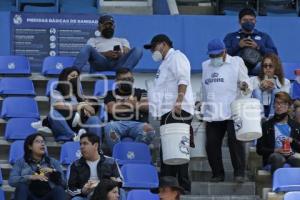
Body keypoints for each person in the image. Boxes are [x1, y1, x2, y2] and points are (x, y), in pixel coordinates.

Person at [144, 34, 194, 192]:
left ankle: (181, 185)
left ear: (163, 44)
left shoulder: (177, 57)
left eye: (153, 47)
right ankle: (168, 185)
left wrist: (178, 102)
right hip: (167, 112)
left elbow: (183, 80)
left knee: (178, 148)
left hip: (178, 110)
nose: (152, 51)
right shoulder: (164, 64)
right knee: (168, 149)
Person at [201, 38, 252, 183]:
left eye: (218, 55)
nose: (215, 58)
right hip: (213, 112)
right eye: (212, 56)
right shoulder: (205, 66)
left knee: (234, 140)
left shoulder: (236, 62)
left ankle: (239, 172)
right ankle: (217, 174)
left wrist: (244, 87)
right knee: (211, 144)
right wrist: (203, 107)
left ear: (225, 51)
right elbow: (204, 89)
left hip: (232, 110)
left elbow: (247, 83)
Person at [33, 67, 102, 141]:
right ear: (64, 78)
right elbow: (58, 105)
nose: (75, 79)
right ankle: (73, 136)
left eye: (77, 77)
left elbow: (92, 111)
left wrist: (86, 107)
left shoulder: (80, 95)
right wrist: (80, 106)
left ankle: (96, 147)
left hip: (79, 123)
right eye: (72, 76)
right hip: (64, 122)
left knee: (95, 119)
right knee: (53, 113)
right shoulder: (56, 92)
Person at [103, 68, 155, 151]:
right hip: (117, 124)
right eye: (124, 79)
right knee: (109, 128)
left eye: (130, 79)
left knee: (149, 130)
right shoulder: (110, 93)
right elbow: (111, 109)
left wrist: (121, 104)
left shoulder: (142, 92)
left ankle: (134, 152)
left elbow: (146, 107)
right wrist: (134, 104)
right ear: (117, 81)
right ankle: (119, 155)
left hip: (138, 124)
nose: (127, 81)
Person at [73, 15, 143, 72]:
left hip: (118, 63)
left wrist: (120, 54)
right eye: (105, 25)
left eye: (110, 26)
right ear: (99, 27)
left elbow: (127, 53)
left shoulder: (122, 40)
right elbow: (91, 55)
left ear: (114, 27)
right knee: (87, 48)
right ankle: (74, 72)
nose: (108, 27)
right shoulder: (93, 40)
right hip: (101, 62)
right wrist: (106, 54)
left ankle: (125, 72)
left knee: (138, 49)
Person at [9, 133, 66, 200]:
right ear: (30, 146)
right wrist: (31, 177)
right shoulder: (21, 162)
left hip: (48, 196)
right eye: (38, 142)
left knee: (59, 190)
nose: (42, 144)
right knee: (21, 187)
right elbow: (12, 181)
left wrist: (53, 172)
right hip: (29, 196)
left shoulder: (53, 162)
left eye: (43, 142)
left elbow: (64, 184)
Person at [68, 133, 122, 200]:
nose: (81, 147)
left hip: (106, 195)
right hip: (85, 197)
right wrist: (82, 191)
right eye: (80, 144)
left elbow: (120, 182)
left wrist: (100, 184)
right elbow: (70, 189)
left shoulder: (111, 162)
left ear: (96, 146)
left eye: (85, 143)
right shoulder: (76, 165)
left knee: (120, 192)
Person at [224, 8, 277, 75]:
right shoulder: (230, 36)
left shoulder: (264, 36)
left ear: (255, 21)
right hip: (236, 69)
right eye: (245, 20)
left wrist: (258, 47)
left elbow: (274, 54)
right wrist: (238, 46)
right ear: (239, 22)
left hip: (257, 68)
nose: (248, 22)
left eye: (251, 20)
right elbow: (222, 55)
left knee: (268, 66)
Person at [256, 92, 300, 174]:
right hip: (273, 156)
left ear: (288, 106)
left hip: (291, 155)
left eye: (282, 103)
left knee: (297, 160)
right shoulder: (266, 125)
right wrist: (276, 150)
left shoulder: (296, 126)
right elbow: (259, 149)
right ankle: (276, 185)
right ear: (273, 105)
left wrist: (293, 141)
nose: (279, 106)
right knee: (278, 158)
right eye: (276, 103)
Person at [251, 54, 291, 119]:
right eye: (265, 66)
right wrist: (260, 88)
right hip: (257, 110)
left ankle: (272, 116)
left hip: (277, 109)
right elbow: (247, 96)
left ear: (276, 67)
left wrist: (274, 88)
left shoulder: (285, 81)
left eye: (270, 66)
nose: (267, 68)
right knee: (257, 90)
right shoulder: (254, 80)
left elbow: (286, 99)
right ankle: (261, 117)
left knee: (277, 92)